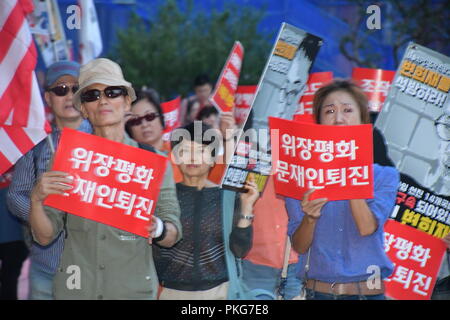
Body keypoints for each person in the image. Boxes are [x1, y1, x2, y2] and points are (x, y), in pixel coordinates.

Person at [28, 58, 182, 300]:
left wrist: (159, 228)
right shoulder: (68, 159)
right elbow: (46, 235)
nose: (103, 100)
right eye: (92, 95)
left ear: (127, 101)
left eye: (112, 92)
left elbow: (172, 232)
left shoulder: (153, 162)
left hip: (132, 292)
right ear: (83, 109)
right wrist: (36, 201)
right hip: (77, 291)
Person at [286, 79, 400, 300]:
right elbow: (299, 246)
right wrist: (310, 218)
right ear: (319, 121)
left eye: (347, 110)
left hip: (367, 294)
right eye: (329, 111)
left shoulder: (385, 175)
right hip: (318, 293)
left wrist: (349, 171)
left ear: (362, 119)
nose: (338, 118)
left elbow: (367, 227)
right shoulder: (302, 176)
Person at [7, 60, 91, 300]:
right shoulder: (35, 145)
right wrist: (41, 213)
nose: (69, 96)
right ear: (47, 97)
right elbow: (15, 196)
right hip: (47, 266)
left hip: (96, 268)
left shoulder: (105, 138)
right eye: (60, 90)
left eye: (76, 88)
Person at [154, 121, 260, 300]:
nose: (193, 158)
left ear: (212, 159)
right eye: (185, 151)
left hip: (219, 292)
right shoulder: (163, 195)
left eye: (201, 151)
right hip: (172, 292)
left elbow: (240, 249)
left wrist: (247, 207)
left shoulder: (226, 197)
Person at [0, 169, 29, 300]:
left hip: (16, 236)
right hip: (16, 235)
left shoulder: (22, 168)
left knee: (10, 281)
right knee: (9, 281)